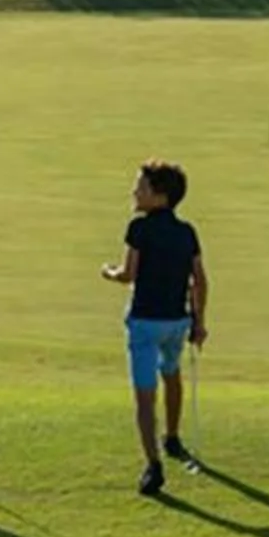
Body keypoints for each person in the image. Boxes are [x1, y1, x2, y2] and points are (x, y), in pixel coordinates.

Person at [99, 158, 207, 496]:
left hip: (145, 321)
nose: (135, 191)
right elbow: (200, 280)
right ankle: (172, 438)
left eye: (142, 187)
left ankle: (153, 466)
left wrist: (109, 272)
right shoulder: (187, 232)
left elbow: (129, 274)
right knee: (171, 373)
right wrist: (200, 322)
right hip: (177, 321)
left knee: (145, 397)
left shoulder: (139, 228)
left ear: (160, 196)